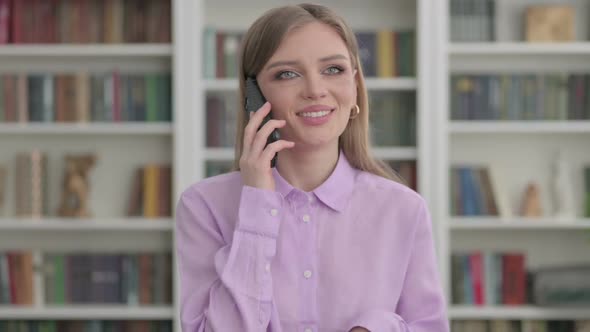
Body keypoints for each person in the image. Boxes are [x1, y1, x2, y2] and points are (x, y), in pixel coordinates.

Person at [175, 3, 449, 332]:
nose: (316, 90)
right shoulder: (203, 207)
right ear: (255, 96)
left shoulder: (404, 209)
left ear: (355, 84)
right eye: (287, 74)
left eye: (333, 69)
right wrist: (257, 208)